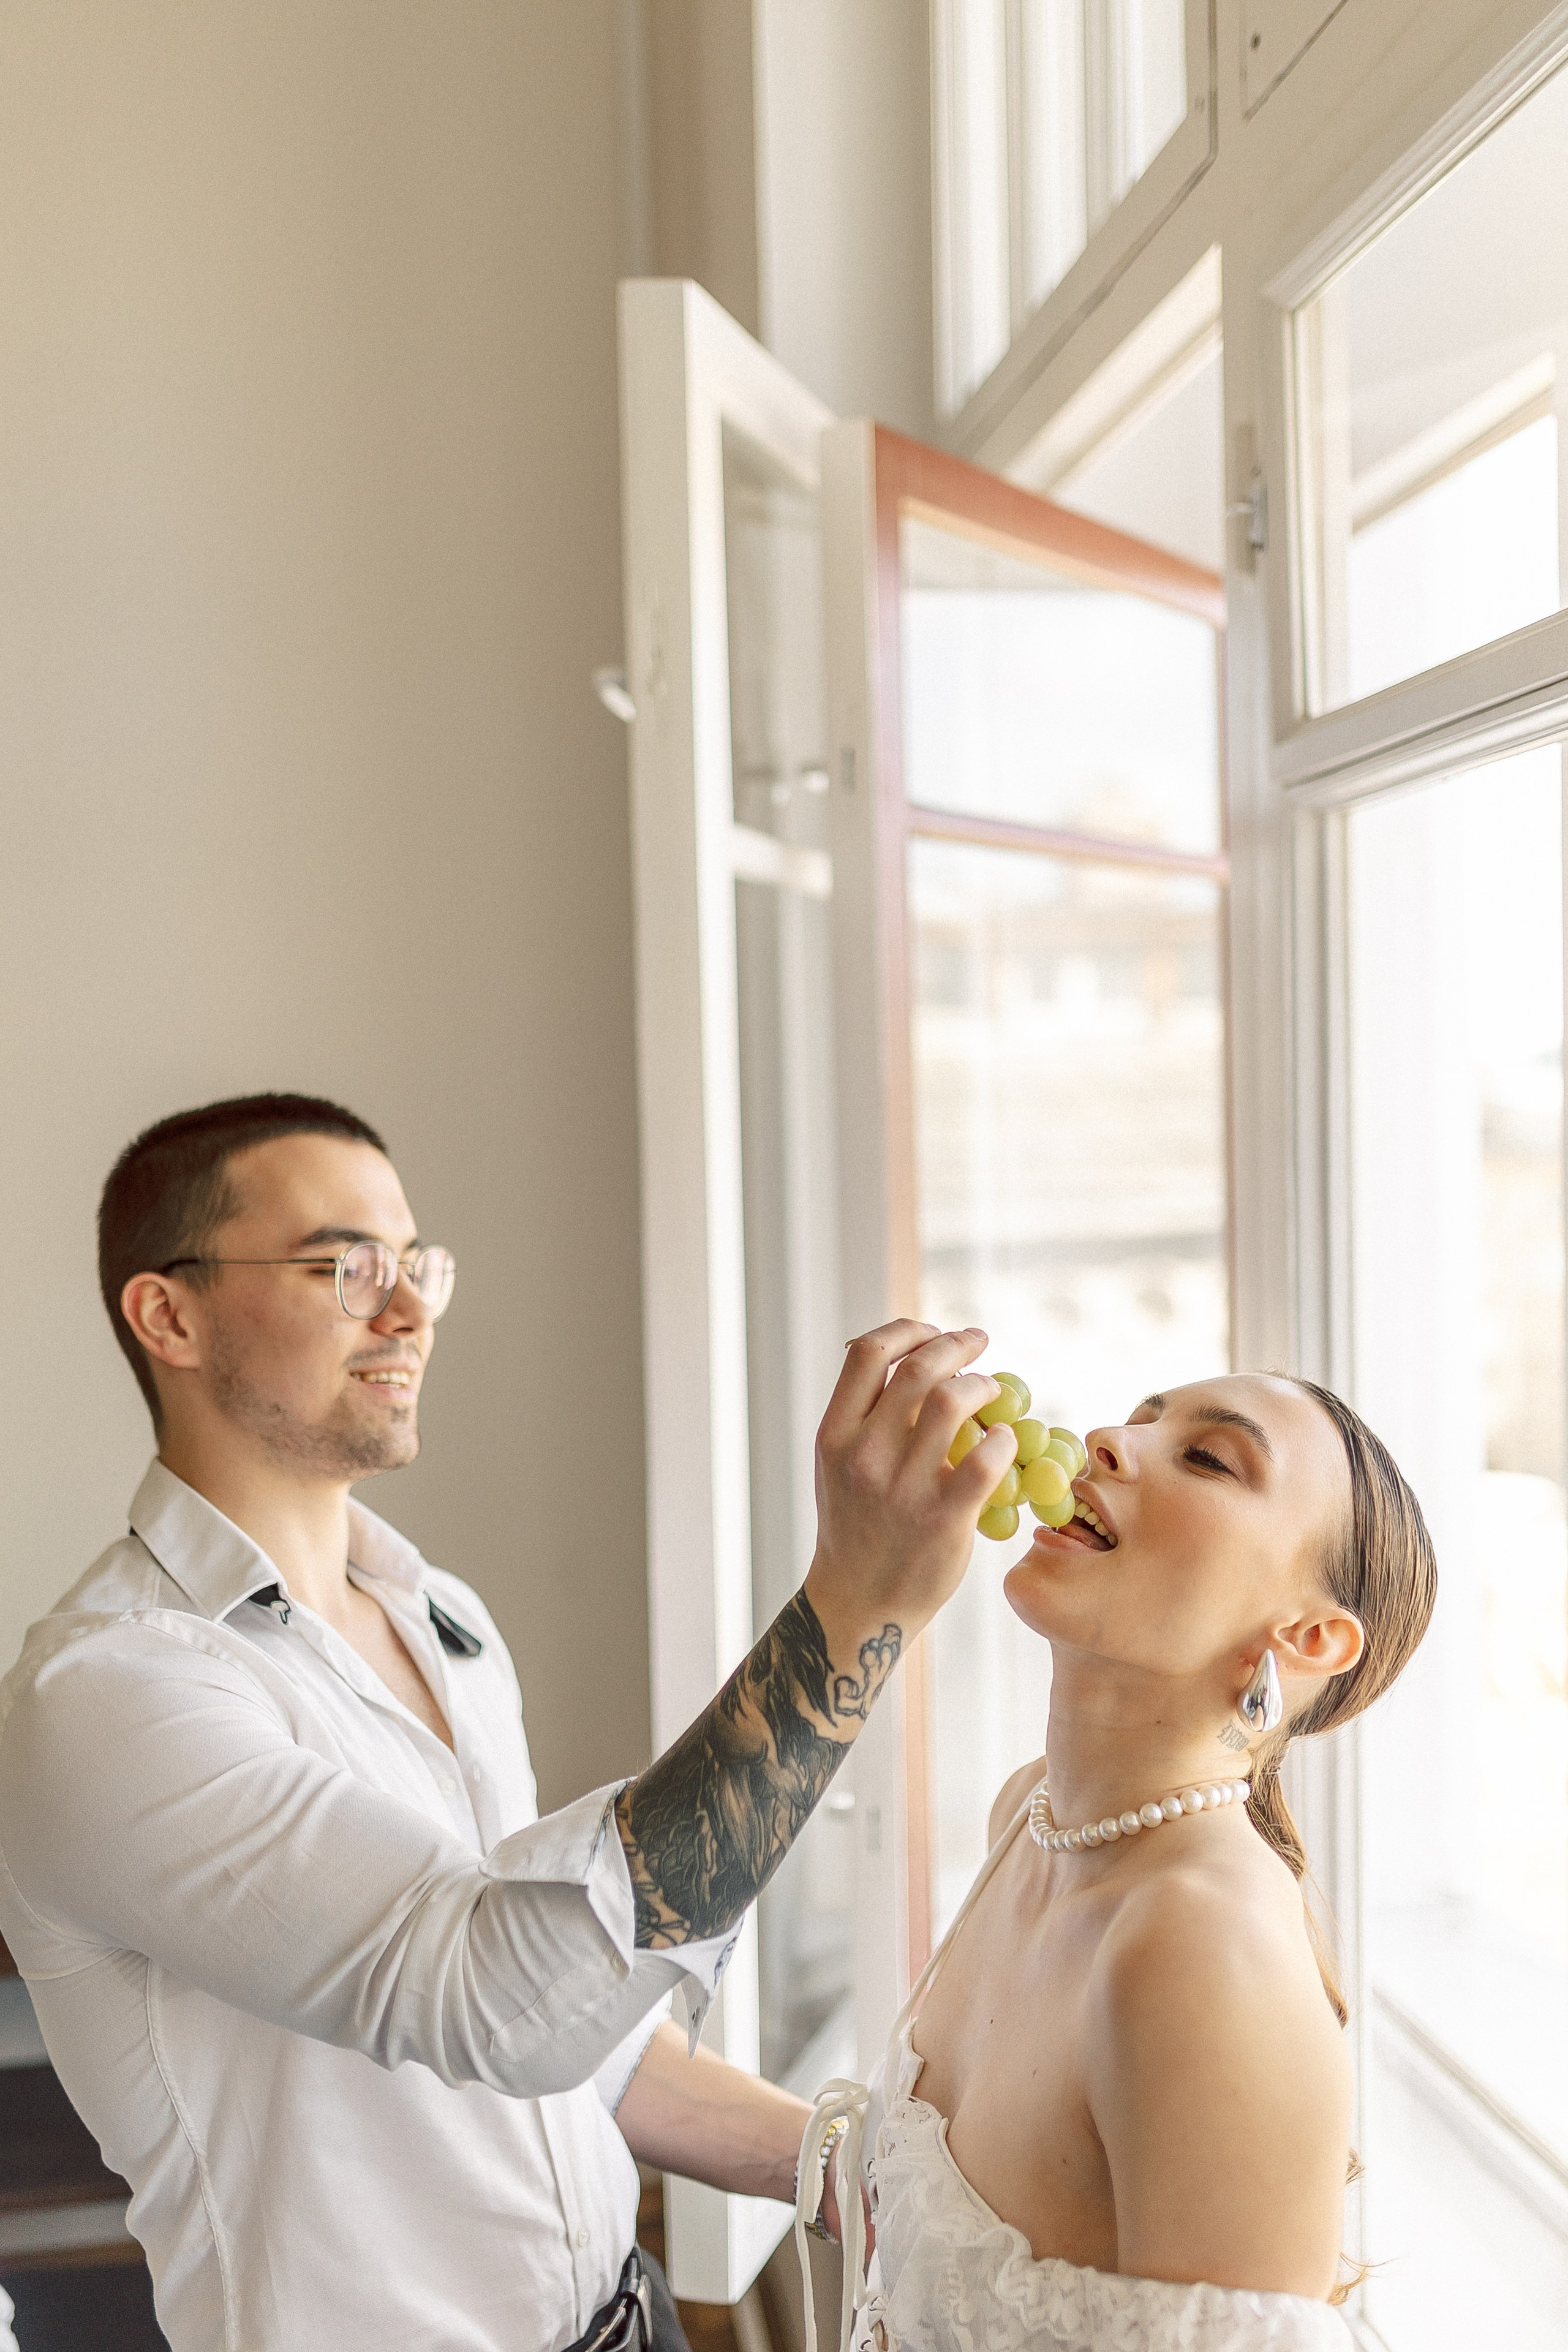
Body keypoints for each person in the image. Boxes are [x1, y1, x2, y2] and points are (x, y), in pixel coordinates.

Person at [0, 1093, 1019, 2352]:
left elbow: (580, 2026)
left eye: (416, 1263)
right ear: (170, 1316)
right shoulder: (109, 1696)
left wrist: (863, 2181)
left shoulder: (443, 1617)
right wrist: (855, 1606)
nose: (410, 1310)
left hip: (632, 2320)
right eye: (345, 1266)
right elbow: (496, 2000)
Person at [798, 1374, 1436, 2352]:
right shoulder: (1027, 1817)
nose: (1103, 1439)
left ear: (1307, 1638)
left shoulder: (1202, 1946)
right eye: (1141, 1419)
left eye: (1207, 1458)